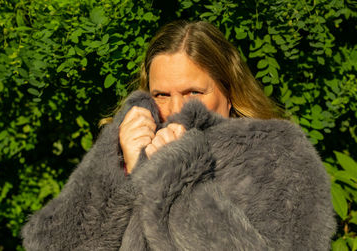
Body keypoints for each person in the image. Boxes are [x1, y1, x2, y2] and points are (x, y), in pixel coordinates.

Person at [22, 20, 335, 250]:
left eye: (194, 92)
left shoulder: (280, 156)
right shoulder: (127, 145)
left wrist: (170, 175)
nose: (175, 109)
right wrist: (128, 174)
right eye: (161, 94)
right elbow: (55, 244)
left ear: (228, 89)